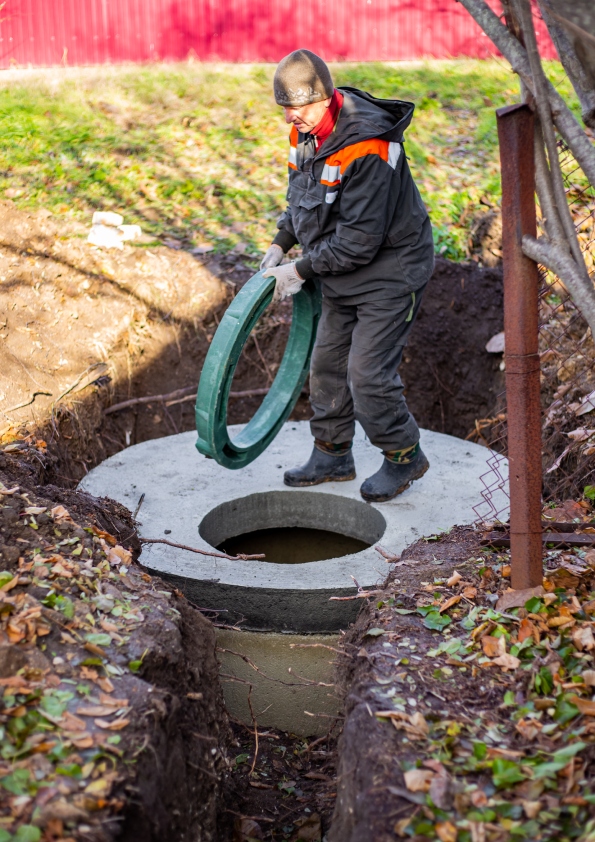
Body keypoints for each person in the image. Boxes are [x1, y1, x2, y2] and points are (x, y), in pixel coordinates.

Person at [261, 49, 434, 503]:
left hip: (390, 272)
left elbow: (359, 241)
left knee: (367, 374)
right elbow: (302, 196)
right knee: (327, 366)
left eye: (297, 109)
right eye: (285, 109)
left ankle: (404, 455)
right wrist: (281, 241)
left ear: (324, 97)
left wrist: (297, 270)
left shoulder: (370, 145)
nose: (289, 118)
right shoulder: (306, 131)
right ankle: (333, 455)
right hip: (340, 269)